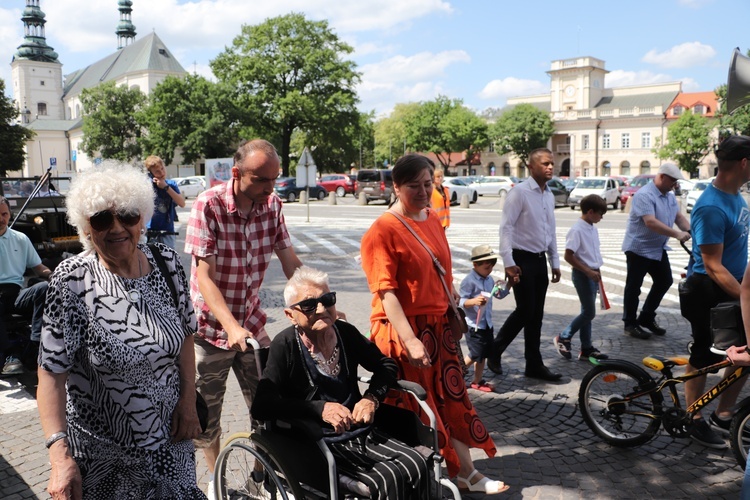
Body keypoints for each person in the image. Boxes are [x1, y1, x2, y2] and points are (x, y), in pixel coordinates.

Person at [36, 162, 205, 500]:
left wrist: (188, 401)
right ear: (86, 227)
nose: (117, 228)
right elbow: (51, 375)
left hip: (171, 444)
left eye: (127, 215)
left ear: (142, 217)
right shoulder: (71, 280)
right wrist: (59, 457)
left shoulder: (167, 263)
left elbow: (186, 336)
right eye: (101, 219)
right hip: (105, 458)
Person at [361, 153, 507, 495]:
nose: (424, 192)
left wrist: (451, 303)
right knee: (421, 407)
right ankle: (442, 472)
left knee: (453, 399)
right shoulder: (381, 230)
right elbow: (386, 293)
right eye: (414, 186)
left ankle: (464, 471)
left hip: (438, 328)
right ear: (395, 187)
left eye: (428, 184)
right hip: (404, 331)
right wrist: (410, 340)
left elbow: (443, 273)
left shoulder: (431, 219)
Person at [184, 139, 303, 497]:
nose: (270, 188)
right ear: (236, 174)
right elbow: (204, 276)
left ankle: (260, 476)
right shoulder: (209, 204)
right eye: (262, 180)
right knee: (207, 417)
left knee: (269, 407)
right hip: (208, 329)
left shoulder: (272, 204)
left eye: (275, 179)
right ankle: (216, 477)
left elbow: (288, 259)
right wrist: (229, 325)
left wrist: (315, 299)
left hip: (251, 325)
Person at [252, 267, 430, 499]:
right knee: (385, 479)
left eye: (327, 300)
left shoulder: (345, 333)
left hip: (362, 433)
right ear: (289, 315)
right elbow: (262, 405)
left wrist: (371, 398)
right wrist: (319, 408)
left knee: (418, 462)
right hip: (317, 444)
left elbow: (386, 365)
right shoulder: (284, 345)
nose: (321, 308)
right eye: (309, 305)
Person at [680, 135, 750, 449]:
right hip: (707, 290)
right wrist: (745, 297)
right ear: (745, 163)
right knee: (705, 355)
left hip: (732, 287)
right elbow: (712, 265)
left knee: (744, 357)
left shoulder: (737, 195)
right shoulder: (710, 206)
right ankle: (693, 418)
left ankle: (723, 415)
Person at [487, 148, 562, 381]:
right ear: (531, 166)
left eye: (552, 163)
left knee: (536, 315)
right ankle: (494, 350)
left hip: (540, 261)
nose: (550, 167)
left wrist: (555, 261)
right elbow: (506, 228)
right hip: (521, 260)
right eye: (545, 164)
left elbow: (550, 230)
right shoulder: (519, 193)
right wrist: (508, 262)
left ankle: (533, 364)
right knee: (525, 311)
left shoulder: (549, 195)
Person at [621, 162, 691, 340]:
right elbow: (650, 222)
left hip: (657, 248)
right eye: (672, 180)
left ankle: (646, 317)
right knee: (634, 287)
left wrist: (691, 232)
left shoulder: (668, 196)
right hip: (638, 248)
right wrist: (677, 234)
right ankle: (630, 323)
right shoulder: (645, 195)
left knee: (664, 280)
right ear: (661, 177)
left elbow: (678, 217)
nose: (675, 184)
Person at [0, 196, 52, 375]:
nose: (1, 219)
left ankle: (36, 344)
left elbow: (38, 268)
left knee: (44, 288)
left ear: (9, 214)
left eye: (4, 214)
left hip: (15, 294)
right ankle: (10, 355)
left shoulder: (21, 239)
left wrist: (54, 275)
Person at [554, 194, 609, 361]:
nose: (602, 217)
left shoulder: (592, 227)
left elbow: (592, 252)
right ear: (591, 212)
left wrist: (596, 272)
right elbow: (568, 255)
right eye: (601, 214)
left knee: (587, 312)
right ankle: (564, 336)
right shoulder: (577, 229)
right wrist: (588, 271)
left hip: (592, 273)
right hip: (583, 274)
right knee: (589, 312)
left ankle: (586, 348)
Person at [460, 244, 499, 392]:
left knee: (483, 354)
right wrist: (474, 301)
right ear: (475, 265)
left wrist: (509, 285)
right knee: (475, 353)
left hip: (486, 323)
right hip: (473, 325)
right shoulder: (469, 281)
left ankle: (477, 380)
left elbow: (498, 294)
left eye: (491, 267)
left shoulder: (489, 280)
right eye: (486, 267)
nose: (489, 270)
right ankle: (457, 372)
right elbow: (462, 301)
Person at [145, 155, 185, 249]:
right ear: (151, 174)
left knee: (169, 261)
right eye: (157, 172)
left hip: (167, 232)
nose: (162, 173)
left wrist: (166, 187)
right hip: (150, 232)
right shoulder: (147, 186)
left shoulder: (171, 185)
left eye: (162, 169)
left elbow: (182, 203)